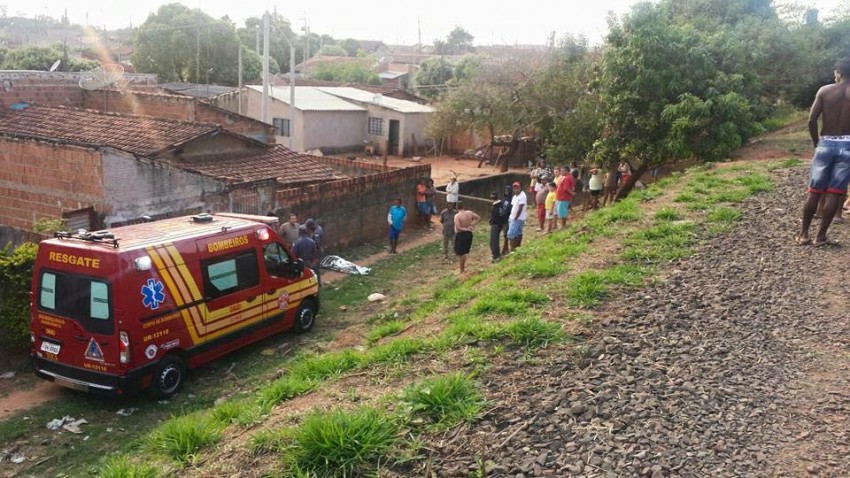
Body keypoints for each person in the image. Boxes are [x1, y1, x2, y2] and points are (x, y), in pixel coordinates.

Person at [798, 57, 850, 246]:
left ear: (838, 72)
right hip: (848, 145)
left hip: (826, 143)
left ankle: (803, 235)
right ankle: (820, 237)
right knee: (835, 192)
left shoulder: (825, 91)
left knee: (815, 191)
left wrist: (816, 143)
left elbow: (812, 120)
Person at [453, 202, 481, 275]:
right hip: (468, 234)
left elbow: (458, 227)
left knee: (461, 253)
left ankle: (462, 270)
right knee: (463, 253)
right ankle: (462, 268)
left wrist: (466, 229)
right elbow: (478, 218)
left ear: (456, 207)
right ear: (464, 206)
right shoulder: (469, 213)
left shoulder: (457, 216)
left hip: (461, 234)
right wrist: (471, 225)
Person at [488, 191, 509, 262]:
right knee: (495, 241)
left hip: (496, 225)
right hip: (502, 223)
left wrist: (492, 221)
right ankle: (496, 255)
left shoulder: (495, 207)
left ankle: (496, 256)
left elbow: (495, 217)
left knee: (493, 241)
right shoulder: (502, 204)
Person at [507, 181, 528, 250]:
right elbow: (514, 207)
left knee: (511, 234)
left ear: (520, 188)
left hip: (517, 218)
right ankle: (518, 248)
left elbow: (520, 207)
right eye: (514, 188)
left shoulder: (522, 196)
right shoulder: (515, 196)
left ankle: (512, 249)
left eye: (517, 188)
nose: (516, 189)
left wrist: (516, 217)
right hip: (513, 217)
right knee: (518, 233)